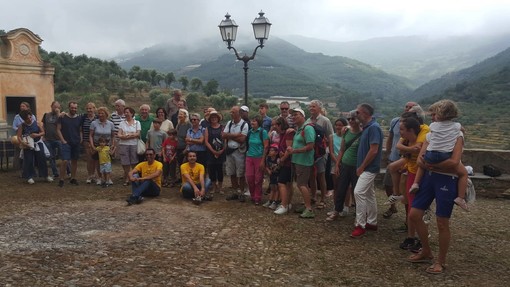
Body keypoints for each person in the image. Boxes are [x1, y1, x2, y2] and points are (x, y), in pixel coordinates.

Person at [406, 101, 465, 274]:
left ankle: (441, 261)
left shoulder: (457, 135)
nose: (432, 117)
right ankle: (426, 251)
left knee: (442, 222)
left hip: (446, 179)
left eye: (434, 114)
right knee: (414, 214)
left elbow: (454, 162)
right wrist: (430, 166)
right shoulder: (432, 134)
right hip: (429, 178)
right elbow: (420, 159)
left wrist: (434, 166)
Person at [409, 100, 469, 211]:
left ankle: (415, 184)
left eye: (433, 114)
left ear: (439, 115)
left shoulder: (432, 127)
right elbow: (454, 162)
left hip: (430, 155)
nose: (432, 117)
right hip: (444, 157)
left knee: (423, 163)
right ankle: (461, 198)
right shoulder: (456, 128)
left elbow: (420, 161)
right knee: (464, 173)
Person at [350, 103, 383, 238]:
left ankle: (360, 225)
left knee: (358, 192)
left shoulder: (374, 128)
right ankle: (372, 222)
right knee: (369, 194)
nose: (355, 115)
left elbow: (374, 150)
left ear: (364, 113)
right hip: (367, 167)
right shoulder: (368, 127)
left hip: (369, 167)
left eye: (357, 113)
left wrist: (362, 166)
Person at [383, 101, 418, 219]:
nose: (407, 109)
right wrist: (388, 153)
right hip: (393, 158)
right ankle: (392, 207)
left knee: (407, 191)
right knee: (387, 185)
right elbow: (390, 138)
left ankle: (409, 220)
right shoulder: (395, 121)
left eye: (411, 107)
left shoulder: (416, 124)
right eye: (406, 106)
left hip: (407, 161)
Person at [328, 112, 362, 221]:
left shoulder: (363, 133)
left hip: (357, 165)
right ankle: (337, 211)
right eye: (349, 119)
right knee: (341, 188)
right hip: (345, 164)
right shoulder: (346, 132)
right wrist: (337, 164)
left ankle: (358, 213)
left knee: (356, 191)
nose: (351, 121)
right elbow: (342, 150)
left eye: (354, 119)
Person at [287, 108, 316, 219]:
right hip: (297, 160)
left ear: (303, 116)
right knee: (302, 184)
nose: (294, 117)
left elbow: (310, 146)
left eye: (296, 115)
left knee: (302, 184)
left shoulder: (308, 128)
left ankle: (309, 209)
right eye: (293, 115)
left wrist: (294, 151)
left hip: (303, 161)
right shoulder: (300, 129)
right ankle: (305, 205)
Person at [307, 100, 334, 210]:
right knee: (311, 176)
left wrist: (328, 150)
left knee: (321, 176)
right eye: (310, 106)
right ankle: (313, 196)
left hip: (321, 153)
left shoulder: (325, 120)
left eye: (313, 106)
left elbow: (330, 136)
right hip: (310, 153)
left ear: (319, 108)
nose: (311, 108)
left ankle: (323, 199)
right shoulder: (308, 120)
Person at [16, 110, 51, 184]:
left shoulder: (37, 123)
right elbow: (19, 136)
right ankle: (29, 176)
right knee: (28, 160)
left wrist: (37, 135)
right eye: (27, 118)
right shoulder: (21, 125)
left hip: (38, 143)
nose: (30, 119)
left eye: (30, 117)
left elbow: (43, 132)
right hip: (28, 145)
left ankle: (45, 175)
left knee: (42, 159)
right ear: (24, 119)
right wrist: (23, 142)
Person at [222, 106, 249, 201]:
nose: (231, 114)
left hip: (239, 151)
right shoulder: (229, 123)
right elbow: (223, 135)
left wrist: (229, 136)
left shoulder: (244, 124)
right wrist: (237, 135)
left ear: (239, 113)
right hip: (230, 151)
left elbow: (242, 139)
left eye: (233, 112)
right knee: (231, 172)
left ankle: (241, 192)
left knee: (240, 173)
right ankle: (235, 191)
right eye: (231, 112)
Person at [273, 116, 295, 215]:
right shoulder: (283, 134)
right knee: (288, 184)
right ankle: (287, 203)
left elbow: (289, 149)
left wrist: (282, 159)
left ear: (280, 125)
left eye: (275, 125)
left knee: (281, 183)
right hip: (287, 162)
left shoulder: (288, 134)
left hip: (288, 163)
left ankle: (284, 205)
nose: (274, 127)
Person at [56, 101, 82, 187]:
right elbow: (58, 129)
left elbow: (80, 129)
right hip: (66, 142)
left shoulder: (79, 118)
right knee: (65, 161)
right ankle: (61, 179)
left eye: (75, 108)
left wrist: (80, 139)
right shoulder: (62, 117)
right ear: (69, 108)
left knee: (75, 161)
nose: (74, 109)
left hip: (76, 142)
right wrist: (62, 140)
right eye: (72, 107)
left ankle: (73, 178)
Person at [245, 115, 269, 205]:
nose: (252, 122)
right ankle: (252, 195)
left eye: (254, 121)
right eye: (251, 121)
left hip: (259, 157)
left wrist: (263, 160)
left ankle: (257, 197)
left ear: (258, 122)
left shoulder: (263, 132)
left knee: (258, 179)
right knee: (250, 178)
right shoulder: (250, 132)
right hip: (249, 157)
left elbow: (266, 147)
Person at [89, 107, 115, 185]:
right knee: (98, 162)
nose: (100, 115)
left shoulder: (111, 124)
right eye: (99, 113)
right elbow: (91, 135)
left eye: (102, 113)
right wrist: (92, 145)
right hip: (97, 145)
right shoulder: (94, 123)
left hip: (107, 146)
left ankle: (108, 178)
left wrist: (113, 144)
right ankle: (100, 178)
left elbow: (113, 136)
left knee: (107, 163)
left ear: (106, 114)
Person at [204, 111, 226, 195]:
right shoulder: (207, 128)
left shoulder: (222, 128)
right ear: (210, 119)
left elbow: (225, 140)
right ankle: (213, 186)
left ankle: (220, 187)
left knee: (220, 170)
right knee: (211, 170)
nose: (214, 119)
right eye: (212, 117)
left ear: (218, 118)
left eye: (215, 117)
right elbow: (206, 141)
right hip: (210, 152)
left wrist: (222, 150)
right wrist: (213, 151)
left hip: (221, 152)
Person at [118, 107, 141, 186]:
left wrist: (129, 135)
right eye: (125, 112)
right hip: (123, 145)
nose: (126, 114)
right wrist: (124, 136)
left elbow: (138, 134)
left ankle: (134, 177)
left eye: (128, 112)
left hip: (133, 144)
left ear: (132, 113)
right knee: (125, 162)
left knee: (134, 161)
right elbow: (119, 134)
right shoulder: (122, 123)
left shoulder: (137, 122)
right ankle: (127, 178)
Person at [42, 101, 62, 179]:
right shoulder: (46, 115)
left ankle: (69, 171)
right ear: (51, 106)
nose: (56, 108)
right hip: (48, 139)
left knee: (64, 156)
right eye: (55, 107)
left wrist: (58, 114)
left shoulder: (61, 115)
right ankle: (55, 173)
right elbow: (43, 125)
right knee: (51, 157)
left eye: (58, 107)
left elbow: (63, 124)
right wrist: (43, 135)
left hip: (59, 139)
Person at [82, 102, 98, 184]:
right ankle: (90, 175)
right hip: (86, 141)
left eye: (91, 108)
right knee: (89, 159)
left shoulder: (98, 118)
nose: (89, 110)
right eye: (87, 108)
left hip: (97, 142)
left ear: (94, 109)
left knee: (95, 160)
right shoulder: (83, 117)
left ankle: (94, 175)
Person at [263, 144, 280, 209]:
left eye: (272, 150)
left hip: (277, 175)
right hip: (271, 175)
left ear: (276, 152)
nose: (270, 151)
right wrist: (268, 170)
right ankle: (270, 200)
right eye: (270, 150)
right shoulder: (268, 158)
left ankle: (275, 201)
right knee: (272, 187)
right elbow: (267, 166)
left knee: (277, 188)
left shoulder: (278, 159)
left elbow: (279, 166)